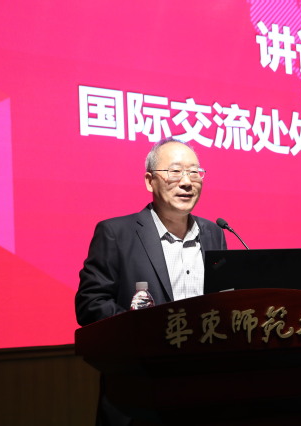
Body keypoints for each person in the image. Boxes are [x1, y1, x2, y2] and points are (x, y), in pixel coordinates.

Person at [75, 138, 227, 425]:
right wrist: (145, 327)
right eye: (175, 172)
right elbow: (90, 305)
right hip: (139, 392)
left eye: (194, 172)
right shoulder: (116, 233)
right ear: (149, 181)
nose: (187, 182)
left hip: (204, 388)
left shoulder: (214, 233)